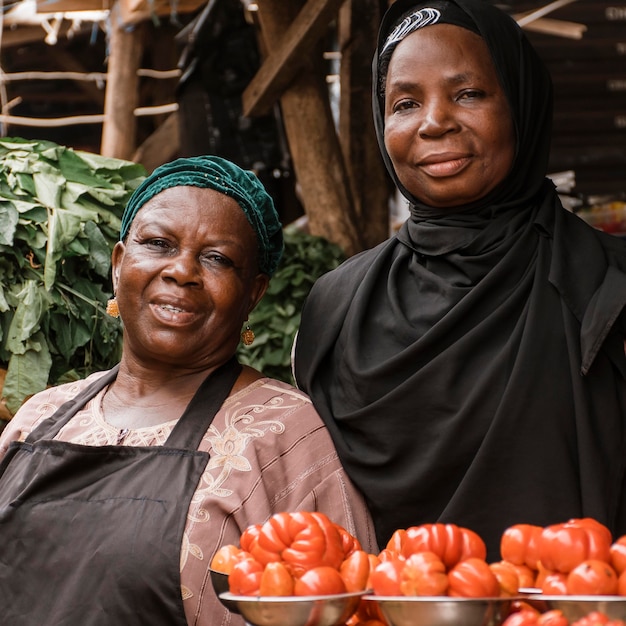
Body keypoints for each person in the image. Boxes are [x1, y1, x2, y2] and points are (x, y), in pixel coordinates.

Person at [293, 0, 626, 562]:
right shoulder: (337, 306)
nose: (434, 121)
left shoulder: (608, 285)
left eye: (468, 93)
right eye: (405, 102)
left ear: (521, 103)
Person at [0, 155, 376, 625]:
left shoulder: (286, 438)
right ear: (118, 265)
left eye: (217, 258)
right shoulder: (40, 416)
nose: (182, 271)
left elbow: (350, 609)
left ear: (253, 293)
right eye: (158, 243)